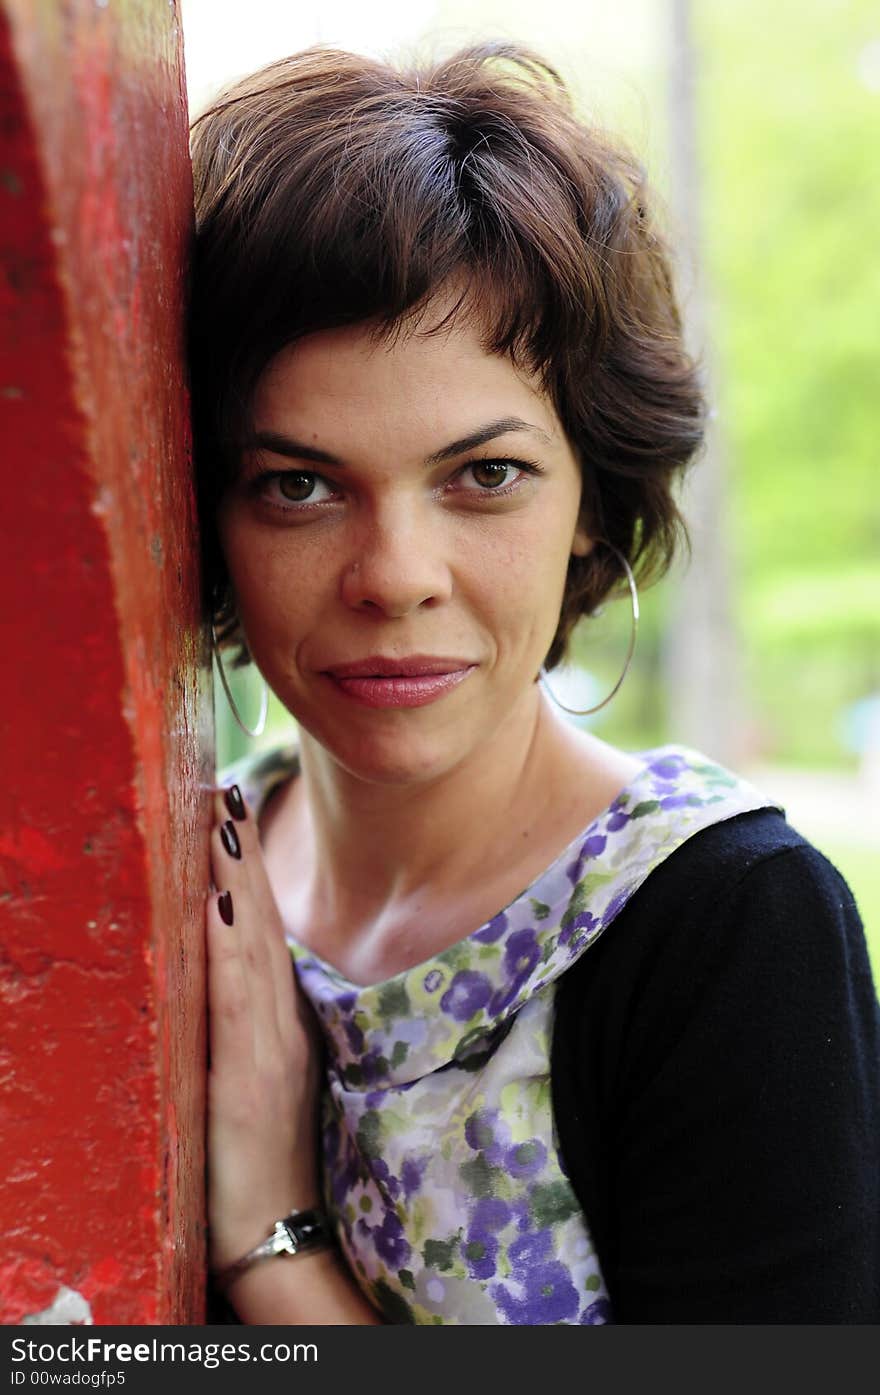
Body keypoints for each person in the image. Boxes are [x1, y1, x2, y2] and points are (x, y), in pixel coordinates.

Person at [188, 42, 880, 1324]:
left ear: (587, 501)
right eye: (299, 484)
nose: (395, 577)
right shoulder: (188, 880)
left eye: (483, 474)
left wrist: (273, 1250)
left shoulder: (726, 928)